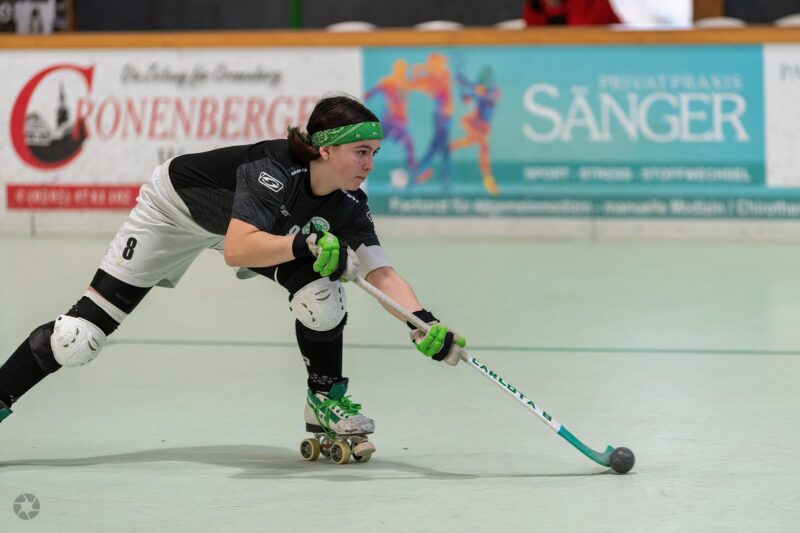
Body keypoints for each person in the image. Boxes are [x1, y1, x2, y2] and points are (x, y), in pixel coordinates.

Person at [0, 94, 465, 463]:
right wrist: (305, 244)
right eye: (361, 152)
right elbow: (239, 250)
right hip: (173, 213)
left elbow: (380, 271)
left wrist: (421, 321)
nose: (370, 164)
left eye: (374, 153)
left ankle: (324, 398)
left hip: (244, 227)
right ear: (326, 149)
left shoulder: (349, 202)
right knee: (77, 339)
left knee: (323, 297)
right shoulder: (273, 170)